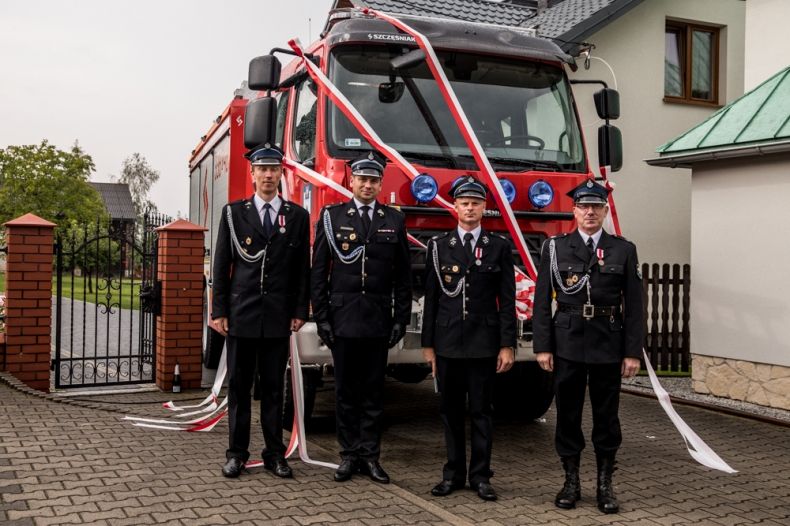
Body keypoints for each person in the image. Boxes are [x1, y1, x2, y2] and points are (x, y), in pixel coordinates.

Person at [532, 179, 643, 514]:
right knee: (567, 415)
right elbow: (541, 302)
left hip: (607, 343)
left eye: (596, 206)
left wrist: (631, 351)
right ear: (574, 211)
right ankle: (571, 481)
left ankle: (605, 485)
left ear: (605, 211)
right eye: (584, 206)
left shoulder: (623, 249)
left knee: (606, 418)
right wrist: (543, 346)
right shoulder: (555, 248)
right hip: (567, 343)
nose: (590, 212)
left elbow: (635, 306)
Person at [311, 152, 412, 484]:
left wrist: (400, 318)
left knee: (373, 392)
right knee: (345, 392)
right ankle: (348, 455)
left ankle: (370, 456)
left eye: (373, 180)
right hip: (343, 320)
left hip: (377, 320)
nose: (367, 185)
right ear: (351, 181)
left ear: (381, 184)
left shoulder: (394, 220)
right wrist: (323, 318)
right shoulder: (332, 217)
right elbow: (318, 273)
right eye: (362, 179)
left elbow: (402, 277)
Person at [212, 144, 310, 479]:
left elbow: (302, 270)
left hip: (278, 317)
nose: (268, 175)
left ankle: (274, 454)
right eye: (262, 169)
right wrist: (219, 310)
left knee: (272, 389)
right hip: (242, 314)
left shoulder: (297, 217)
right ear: (252, 174)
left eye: (274, 169)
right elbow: (222, 264)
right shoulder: (233, 213)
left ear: (282, 173)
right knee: (239, 389)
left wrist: (299, 309)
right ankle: (237, 454)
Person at [421, 176, 516, 502]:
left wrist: (507, 344)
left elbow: (507, 299)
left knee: (481, 412)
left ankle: (481, 476)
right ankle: (452, 474)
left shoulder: (499, 247)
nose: (470, 208)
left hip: (483, 343)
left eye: (476, 203)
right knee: (449, 413)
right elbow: (431, 300)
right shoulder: (438, 247)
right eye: (464, 203)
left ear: (484, 208)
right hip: (447, 342)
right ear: (455, 208)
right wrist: (428, 345)